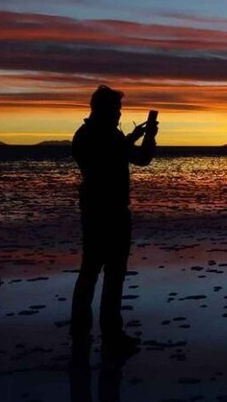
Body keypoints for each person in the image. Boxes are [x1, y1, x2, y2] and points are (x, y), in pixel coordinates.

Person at [69, 85, 158, 363]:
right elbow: (140, 159)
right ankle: (111, 336)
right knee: (112, 275)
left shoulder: (84, 135)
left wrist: (132, 136)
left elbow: (115, 152)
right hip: (111, 213)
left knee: (90, 273)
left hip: (94, 211)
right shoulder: (106, 137)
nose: (119, 114)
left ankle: (81, 334)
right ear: (105, 110)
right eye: (117, 110)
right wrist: (148, 138)